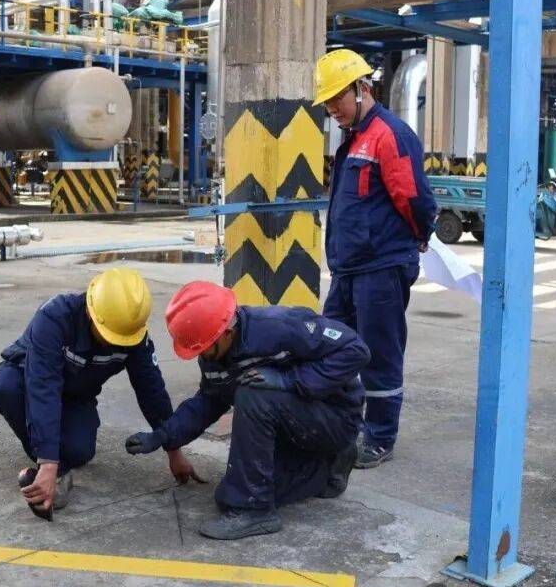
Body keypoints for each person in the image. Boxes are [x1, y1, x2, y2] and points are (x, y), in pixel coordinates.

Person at [125, 281, 370, 540]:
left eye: (204, 346)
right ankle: (328, 467)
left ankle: (255, 511)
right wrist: (161, 436)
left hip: (336, 416)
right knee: (227, 495)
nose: (202, 354)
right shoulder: (214, 353)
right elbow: (208, 402)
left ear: (226, 332)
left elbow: (356, 350)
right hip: (299, 426)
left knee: (252, 395)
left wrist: (291, 380)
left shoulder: (280, 326)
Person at [313, 49, 438, 469]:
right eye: (327, 102)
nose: (332, 108)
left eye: (337, 98)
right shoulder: (353, 138)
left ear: (361, 88)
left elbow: (415, 198)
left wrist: (419, 236)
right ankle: (342, 423)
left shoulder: (389, 134)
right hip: (349, 269)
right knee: (331, 346)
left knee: (380, 354)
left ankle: (380, 437)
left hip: (380, 267)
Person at [0, 268, 201, 514]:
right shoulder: (55, 318)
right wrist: (48, 462)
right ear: (92, 312)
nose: (113, 344)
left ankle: (56, 458)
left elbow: (151, 389)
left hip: (76, 396)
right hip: (27, 380)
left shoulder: (131, 333)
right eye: (109, 336)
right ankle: (52, 466)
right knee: (4, 387)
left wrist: (173, 450)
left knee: (80, 452)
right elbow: (43, 387)